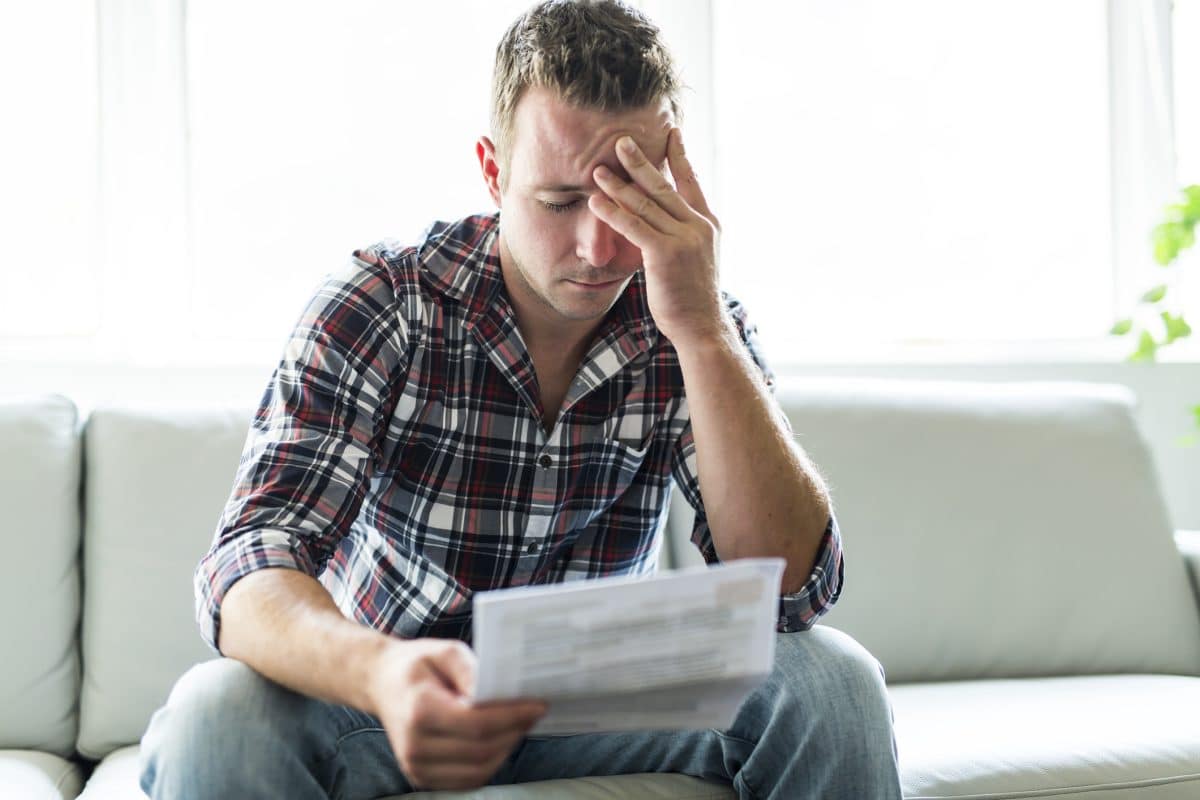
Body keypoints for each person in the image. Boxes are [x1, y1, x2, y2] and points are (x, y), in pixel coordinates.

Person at [138, 1, 902, 798]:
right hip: (387, 691)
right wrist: (382, 674)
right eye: (562, 201)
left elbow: (790, 591)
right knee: (216, 709)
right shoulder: (386, 302)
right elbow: (250, 559)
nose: (601, 248)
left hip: (600, 692)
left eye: (628, 199)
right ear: (494, 171)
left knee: (833, 682)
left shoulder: (691, 314)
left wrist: (702, 331)